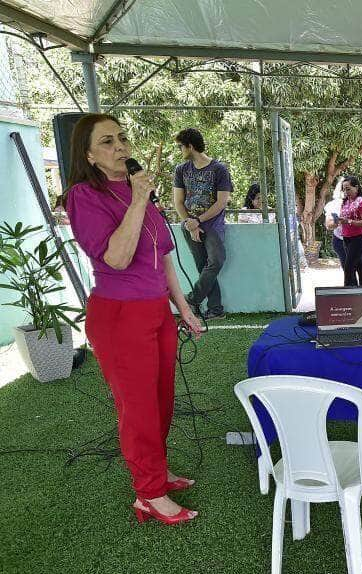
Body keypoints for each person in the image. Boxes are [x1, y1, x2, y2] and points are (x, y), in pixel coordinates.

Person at [64, 114, 203, 526]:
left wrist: (184, 307)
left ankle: (157, 473)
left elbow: (163, 258)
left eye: (122, 138)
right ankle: (149, 493)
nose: (120, 146)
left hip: (157, 310)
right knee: (138, 407)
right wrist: (140, 199)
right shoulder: (84, 197)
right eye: (107, 142)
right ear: (88, 154)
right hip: (119, 315)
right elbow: (117, 258)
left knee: (161, 399)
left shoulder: (134, 188)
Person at [172, 127, 233, 321]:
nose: (180, 150)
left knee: (216, 261)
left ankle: (192, 299)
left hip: (212, 225)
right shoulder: (181, 170)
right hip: (190, 225)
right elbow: (178, 202)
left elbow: (222, 202)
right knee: (202, 266)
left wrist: (198, 221)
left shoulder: (219, 169)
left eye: (181, 146)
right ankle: (215, 309)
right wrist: (190, 223)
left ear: (190, 146)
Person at [334, 176, 362, 286]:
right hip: (347, 238)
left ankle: (347, 294)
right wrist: (340, 220)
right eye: (344, 189)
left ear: (356, 187)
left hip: (358, 238)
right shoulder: (346, 202)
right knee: (360, 267)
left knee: (349, 268)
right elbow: (345, 218)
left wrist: (349, 221)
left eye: (348, 189)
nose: (346, 192)